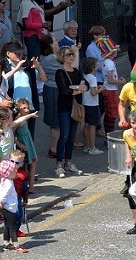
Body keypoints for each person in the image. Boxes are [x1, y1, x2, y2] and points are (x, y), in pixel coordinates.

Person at [54, 47, 87, 178]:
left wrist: (76, 88)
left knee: (72, 136)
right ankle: (59, 165)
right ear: (62, 57)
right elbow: (64, 90)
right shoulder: (60, 72)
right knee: (64, 135)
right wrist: (79, 88)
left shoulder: (76, 71)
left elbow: (87, 85)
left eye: (73, 55)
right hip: (64, 107)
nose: (72, 57)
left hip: (75, 106)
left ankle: (68, 163)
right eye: (69, 55)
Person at [0, 159, 27, 253]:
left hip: (5, 207)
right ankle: (16, 244)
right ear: (7, 173)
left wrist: (1, 202)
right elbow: (4, 194)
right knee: (12, 227)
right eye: (13, 170)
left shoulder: (4, 180)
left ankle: (6, 243)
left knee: (7, 226)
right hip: (10, 207)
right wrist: (1, 201)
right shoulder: (9, 182)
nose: (16, 171)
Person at [81, 58, 105, 155]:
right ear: (93, 67)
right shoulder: (93, 78)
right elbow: (94, 92)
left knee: (87, 125)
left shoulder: (84, 76)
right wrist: (102, 88)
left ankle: (87, 145)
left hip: (85, 103)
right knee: (93, 126)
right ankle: (92, 147)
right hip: (92, 104)